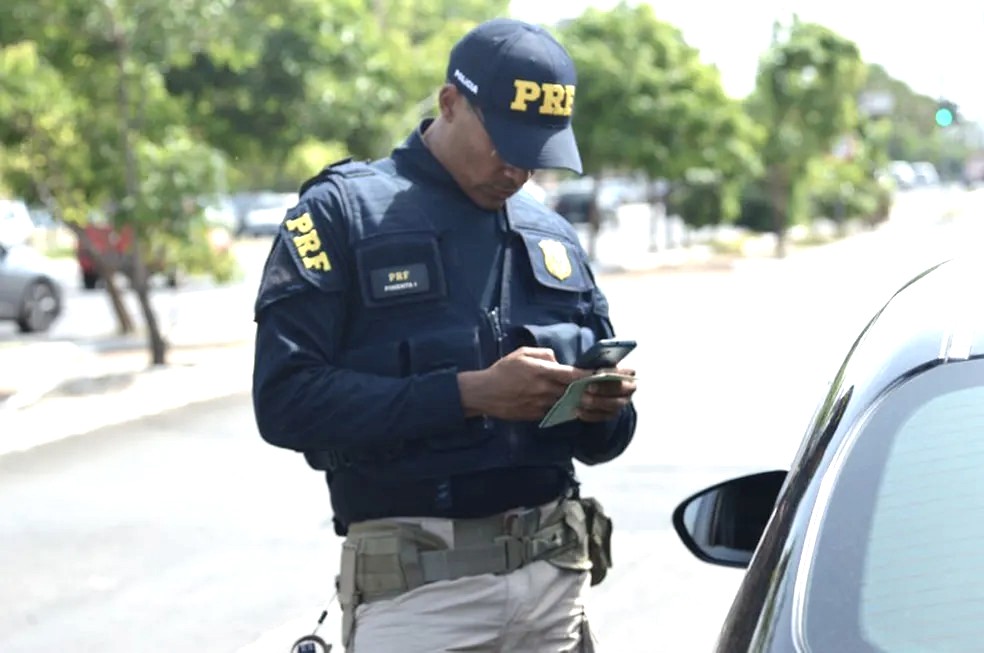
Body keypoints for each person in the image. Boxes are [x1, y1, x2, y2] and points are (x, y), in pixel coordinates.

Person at [252, 17, 638, 653]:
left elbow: (605, 445)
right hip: (419, 599)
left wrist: (604, 407)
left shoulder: (552, 235)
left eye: (537, 151)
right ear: (450, 102)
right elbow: (285, 401)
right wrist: (468, 394)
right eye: (506, 142)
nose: (518, 168)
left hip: (555, 590)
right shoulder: (341, 215)